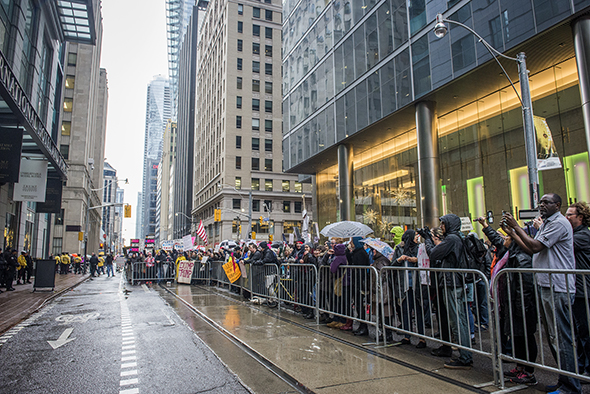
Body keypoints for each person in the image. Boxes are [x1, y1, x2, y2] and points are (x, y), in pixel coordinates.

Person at [503, 193, 581, 394]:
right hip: (547, 286)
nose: (542, 205)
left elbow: (536, 245)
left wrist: (517, 226)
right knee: (554, 338)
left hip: (559, 287)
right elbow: (532, 250)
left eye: (546, 202)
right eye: (540, 202)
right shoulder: (547, 224)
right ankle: (564, 380)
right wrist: (513, 233)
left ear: (558, 205)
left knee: (562, 339)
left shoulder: (559, 223)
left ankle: (571, 386)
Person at [476, 217, 538, 386]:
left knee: (525, 338)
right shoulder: (508, 253)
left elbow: (525, 286)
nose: (504, 239)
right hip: (509, 304)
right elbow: (497, 240)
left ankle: (529, 371)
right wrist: (485, 225)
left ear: (516, 240)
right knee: (517, 338)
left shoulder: (521, 258)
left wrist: (521, 307)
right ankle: (519, 366)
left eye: (508, 238)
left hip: (521, 306)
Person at [421, 214, 473, 369]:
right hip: (455, 282)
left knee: (457, 319)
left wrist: (428, 239)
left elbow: (434, 254)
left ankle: (465, 357)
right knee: (459, 319)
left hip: (452, 283)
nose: (441, 226)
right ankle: (465, 354)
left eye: (443, 224)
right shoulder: (457, 238)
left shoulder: (452, 239)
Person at [565, 202, 590, 379]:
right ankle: (581, 366)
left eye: (569, 215)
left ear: (580, 217)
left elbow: (564, 245)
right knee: (580, 331)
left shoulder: (582, 236)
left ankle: (587, 368)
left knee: (585, 332)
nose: (566, 218)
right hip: (577, 288)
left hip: (584, 290)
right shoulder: (576, 234)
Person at [394, 230, 426, 348]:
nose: (417, 238)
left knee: (419, 311)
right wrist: (399, 259)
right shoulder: (399, 248)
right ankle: (407, 335)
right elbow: (393, 265)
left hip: (417, 284)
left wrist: (417, 260)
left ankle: (422, 338)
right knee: (406, 310)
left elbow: (426, 262)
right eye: (415, 236)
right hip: (405, 284)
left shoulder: (420, 248)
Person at [347, 237, 370, 336]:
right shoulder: (357, 252)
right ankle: (362, 325)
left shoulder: (361, 253)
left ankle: (363, 326)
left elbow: (359, 268)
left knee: (360, 305)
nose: (351, 243)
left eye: (352, 241)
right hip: (356, 282)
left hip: (359, 283)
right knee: (357, 304)